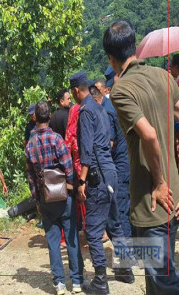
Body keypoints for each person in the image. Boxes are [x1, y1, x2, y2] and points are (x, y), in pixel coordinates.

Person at [105, 19, 179, 295]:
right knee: (157, 281)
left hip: (151, 203)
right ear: (135, 47)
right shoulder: (163, 76)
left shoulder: (121, 90)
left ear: (111, 58)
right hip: (172, 202)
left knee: (163, 281)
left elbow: (148, 135)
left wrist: (159, 182)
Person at [70, 71, 134, 294]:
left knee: (93, 232)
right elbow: (109, 142)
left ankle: (100, 281)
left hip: (98, 175)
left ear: (76, 91)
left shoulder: (86, 112)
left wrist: (82, 181)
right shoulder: (102, 108)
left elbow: (86, 151)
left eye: (73, 92)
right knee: (114, 224)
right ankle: (126, 271)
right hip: (112, 172)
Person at [25, 101, 84, 295]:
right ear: (49, 117)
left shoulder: (30, 145)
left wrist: (37, 201)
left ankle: (59, 283)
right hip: (63, 196)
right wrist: (73, 190)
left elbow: (31, 177)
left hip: (45, 198)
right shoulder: (57, 139)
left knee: (52, 240)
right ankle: (76, 281)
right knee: (72, 238)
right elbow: (68, 167)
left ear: (35, 118)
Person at [89, 84, 133, 238]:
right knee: (126, 207)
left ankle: (128, 255)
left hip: (119, 165)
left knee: (119, 213)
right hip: (127, 162)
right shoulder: (111, 106)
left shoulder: (106, 112)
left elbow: (110, 143)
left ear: (95, 100)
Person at [65, 101, 86, 233]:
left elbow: (67, 149)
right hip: (89, 166)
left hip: (77, 168)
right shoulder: (85, 127)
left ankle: (85, 226)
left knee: (82, 198)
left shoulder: (70, 132)